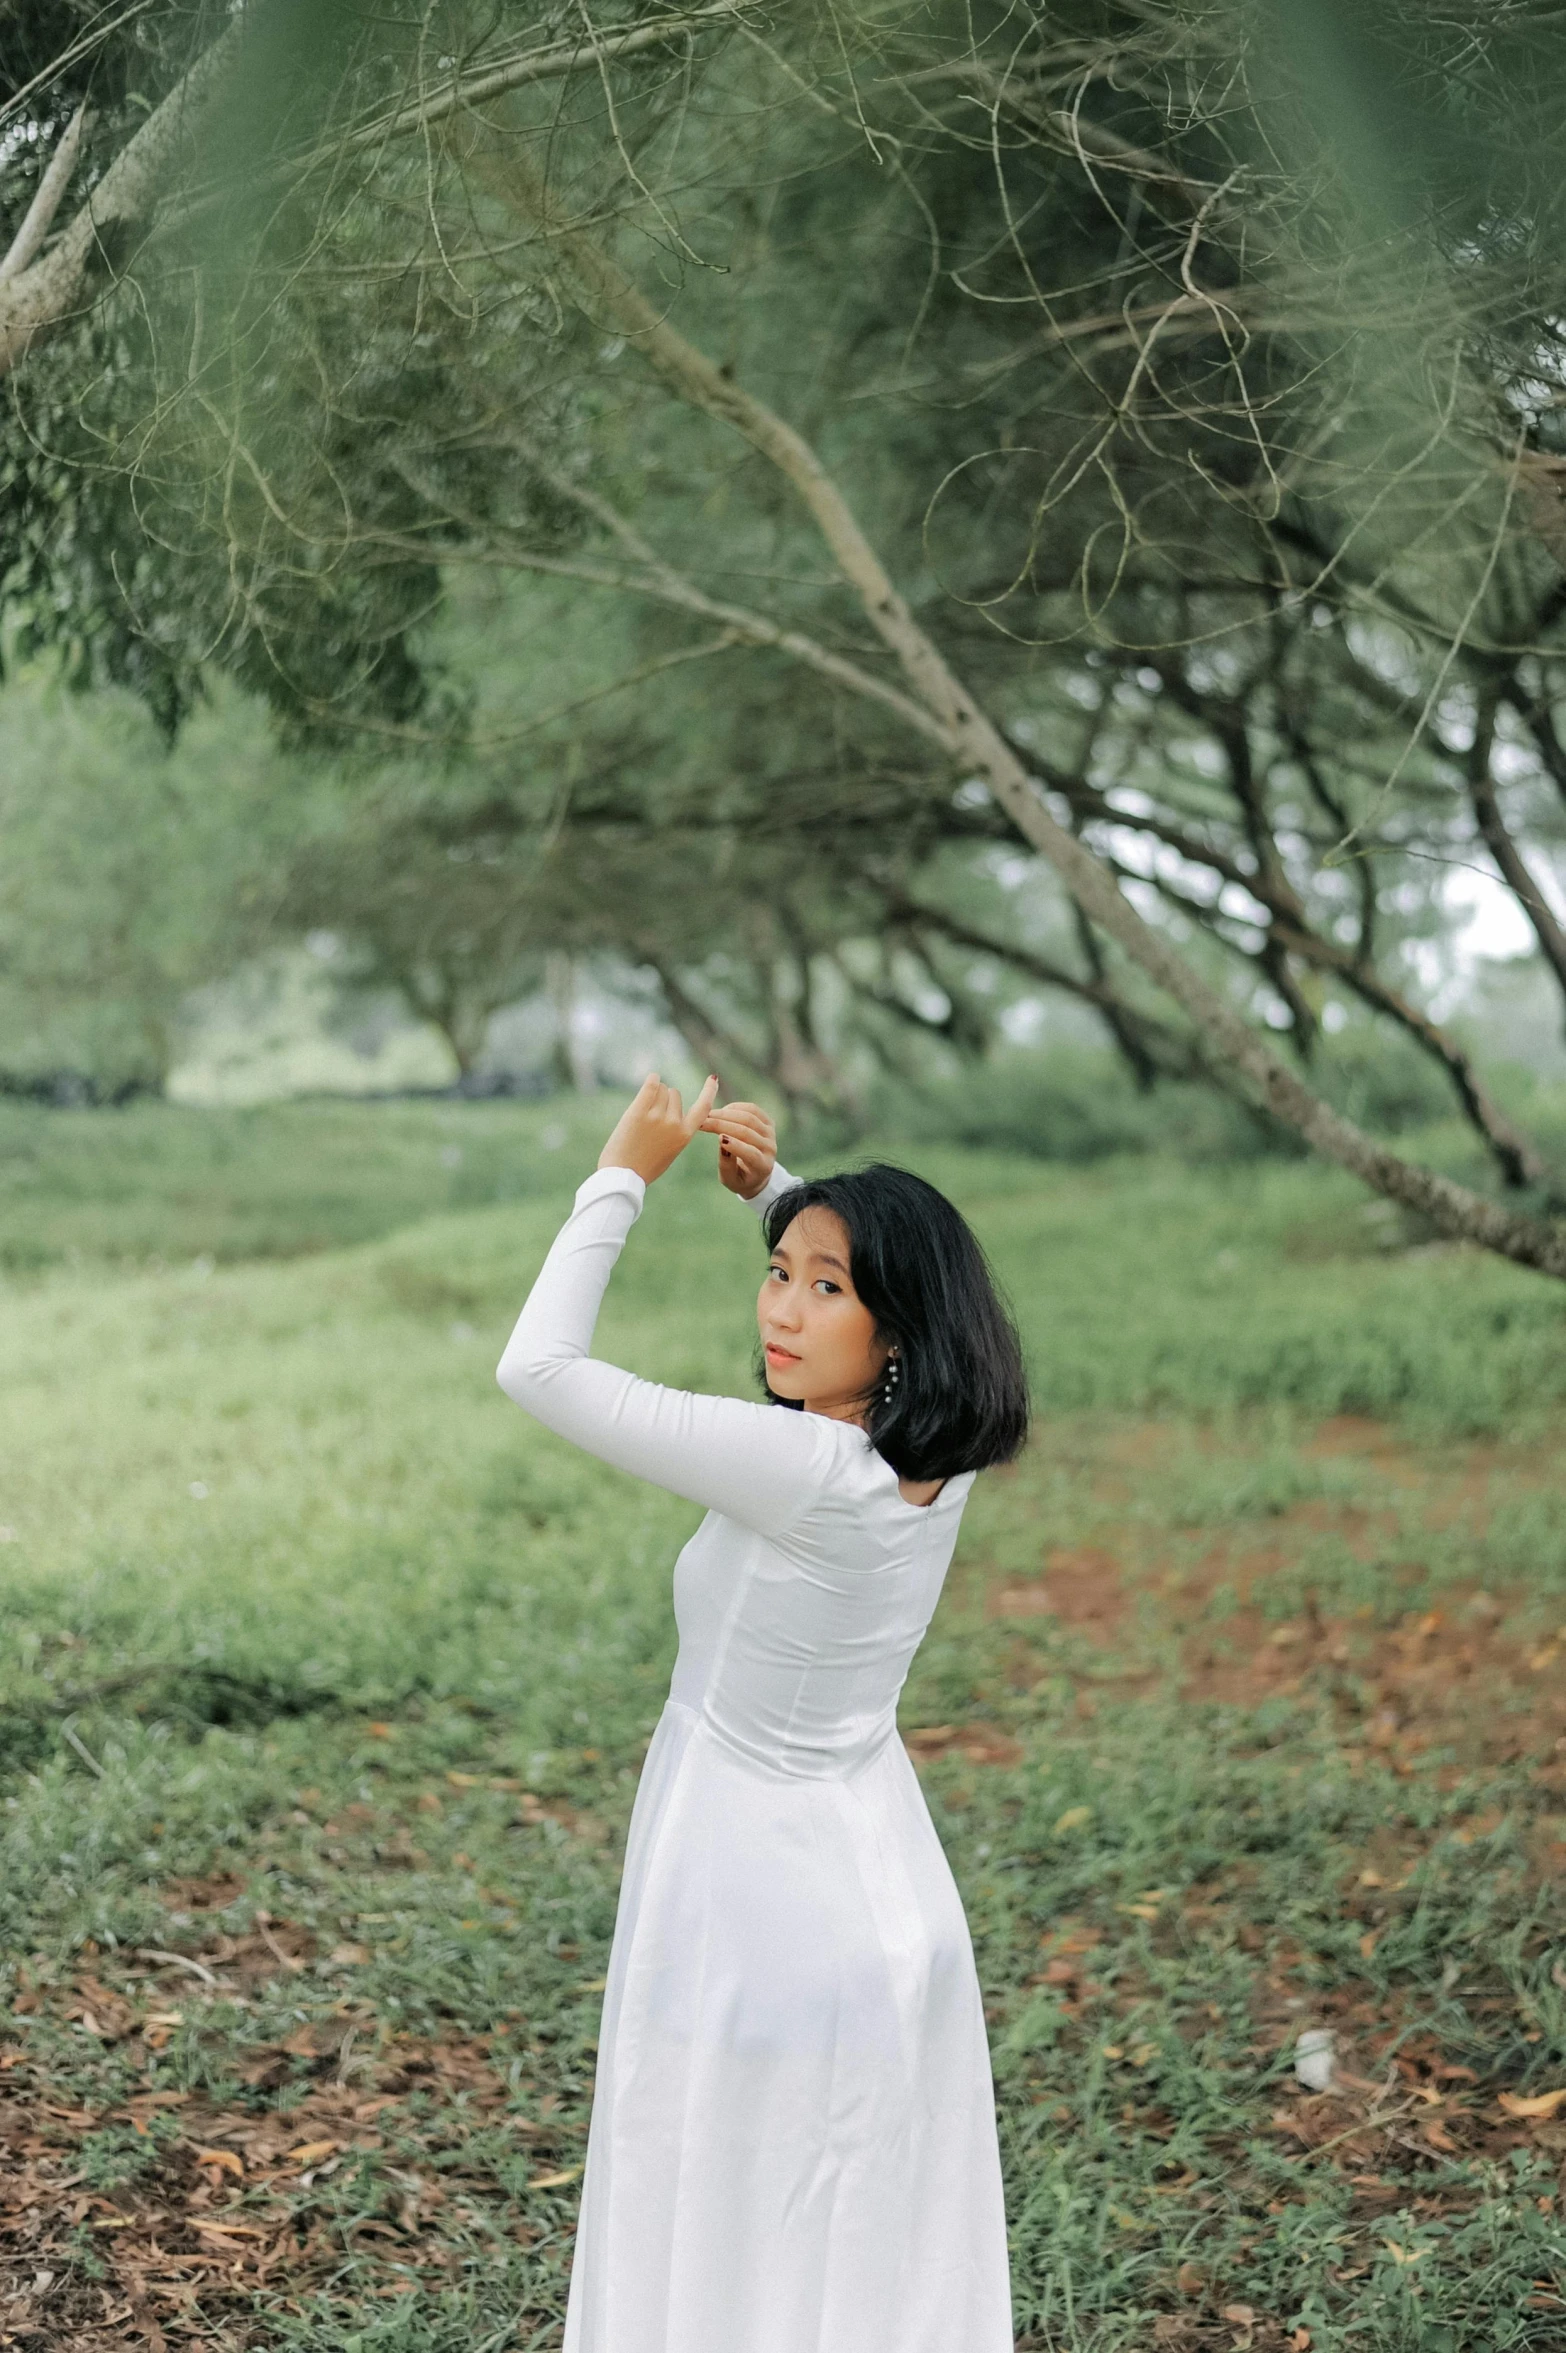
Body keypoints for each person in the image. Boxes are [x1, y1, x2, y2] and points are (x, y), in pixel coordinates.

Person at [496, 1073, 1030, 2353]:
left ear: (895, 1331)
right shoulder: (928, 1458)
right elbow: (887, 1290)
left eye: (824, 1289)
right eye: (779, 1274)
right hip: (875, 1877)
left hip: (757, 1894)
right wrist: (781, 1197)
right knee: (836, 2220)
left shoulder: (801, 1467)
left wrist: (621, 1171)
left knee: (730, 2197)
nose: (784, 1310)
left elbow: (539, 1366)